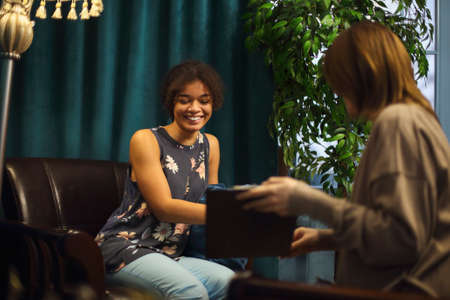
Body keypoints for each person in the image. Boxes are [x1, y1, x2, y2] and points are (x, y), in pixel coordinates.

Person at [238, 21, 450, 297]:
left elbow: (402, 239)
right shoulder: (419, 119)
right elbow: (398, 230)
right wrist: (325, 239)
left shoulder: (398, 122)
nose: (336, 93)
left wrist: (310, 202)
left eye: (338, 81)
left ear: (361, 76)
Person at [95, 60, 235, 300]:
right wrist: (230, 213)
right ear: (171, 102)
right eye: (184, 100)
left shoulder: (211, 145)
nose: (195, 108)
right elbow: (164, 208)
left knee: (232, 284)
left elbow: (211, 199)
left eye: (204, 100)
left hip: (171, 253)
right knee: (191, 292)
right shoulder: (146, 140)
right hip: (125, 248)